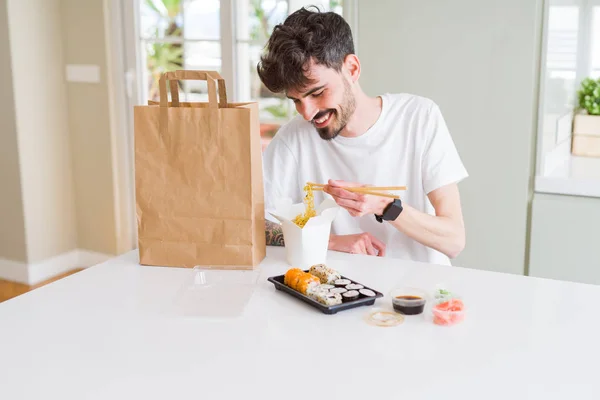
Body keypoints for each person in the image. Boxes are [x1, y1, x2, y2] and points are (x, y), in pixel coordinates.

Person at [258, 7, 468, 266]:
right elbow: (253, 226)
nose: (307, 113)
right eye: (296, 101)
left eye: (317, 93)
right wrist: (330, 242)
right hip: (341, 292)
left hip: (417, 293)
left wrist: (386, 206)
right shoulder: (294, 138)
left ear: (352, 69)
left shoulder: (419, 117)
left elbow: (454, 240)